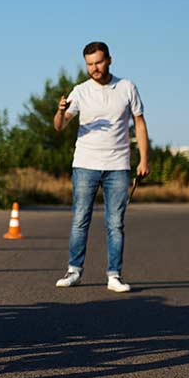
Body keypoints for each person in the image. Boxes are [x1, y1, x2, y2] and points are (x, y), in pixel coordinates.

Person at [53, 41, 149, 293]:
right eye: (89, 64)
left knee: (115, 223)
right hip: (85, 164)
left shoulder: (127, 87)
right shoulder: (80, 91)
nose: (94, 68)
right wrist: (60, 111)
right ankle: (74, 271)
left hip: (118, 166)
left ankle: (114, 275)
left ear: (109, 60)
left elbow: (139, 123)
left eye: (98, 62)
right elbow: (59, 126)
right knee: (79, 219)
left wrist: (144, 159)